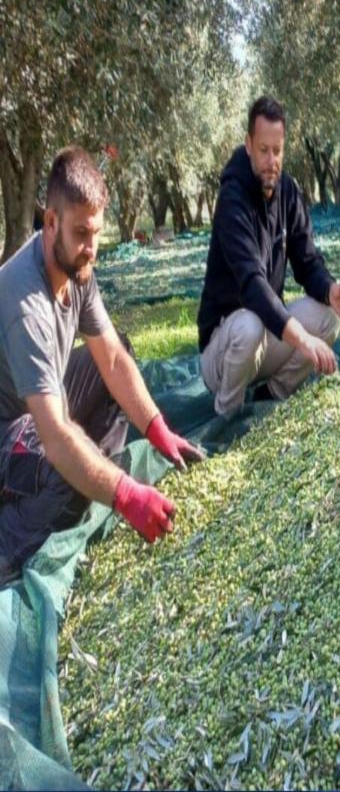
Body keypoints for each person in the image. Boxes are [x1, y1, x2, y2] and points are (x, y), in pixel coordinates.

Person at [0, 148, 204, 582]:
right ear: (50, 222)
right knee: (66, 464)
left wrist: (156, 427)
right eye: (81, 233)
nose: (91, 248)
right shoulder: (26, 304)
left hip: (34, 408)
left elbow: (110, 357)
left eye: (96, 233)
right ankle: (11, 539)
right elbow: (55, 436)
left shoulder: (78, 269)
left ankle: (88, 487)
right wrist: (127, 494)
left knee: (120, 356)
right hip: (7, 428)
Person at [197, 96, 340, 418]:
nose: (272, 161)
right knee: (249, 325)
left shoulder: (288, 192)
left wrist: (329, 289)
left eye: (278, 151)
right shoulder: (232, 198)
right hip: (225, 347)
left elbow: (307, 261)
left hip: (265, 332)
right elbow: (253, 285)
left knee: (328, 317)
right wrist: (302, 341)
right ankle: (226, 416)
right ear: (248, 145)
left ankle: (272, 394)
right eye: (264, 150)